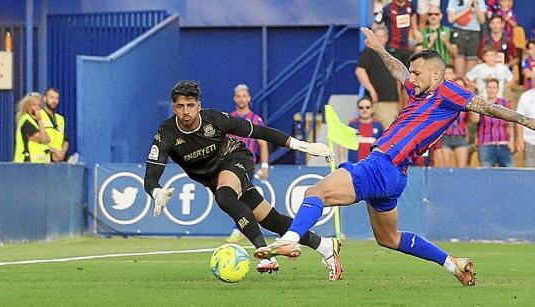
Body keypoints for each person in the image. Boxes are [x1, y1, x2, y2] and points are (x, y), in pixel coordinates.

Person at [254, 27, 535, 287]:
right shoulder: (418, 91)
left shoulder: (448, 91)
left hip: (382, 163)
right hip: (395, 176)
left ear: (436, 75)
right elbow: (398, 70)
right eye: (412, 73)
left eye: (418, 73)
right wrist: (379, 48)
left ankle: (289, 240)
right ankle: (453, 264)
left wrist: (525, 120)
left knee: (316, 192)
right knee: (388, 238)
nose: (411, 79)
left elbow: (485, 106)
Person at [144, 81, 343, 280]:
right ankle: (325, 246)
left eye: (190, 105)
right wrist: (156, 192)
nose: (186, 111)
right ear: (174, 108)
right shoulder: (167, 133)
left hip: (235, 159)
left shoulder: (214, 119)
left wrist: (303, 146)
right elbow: (151, 176)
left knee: (224, 196)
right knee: (274, 221)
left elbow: (259, 131)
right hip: (214, 179)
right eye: (180, 106)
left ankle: (265, 255)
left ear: (199, 106)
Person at [226, 84, 269, 244]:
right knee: (238, 197)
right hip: (230, 163)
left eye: (244, 96)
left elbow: (263, 144)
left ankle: (238, 230)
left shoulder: (255, 119)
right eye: (239, 96)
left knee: (237, 195)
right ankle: (242, 228)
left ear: (249, 98)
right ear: (235, 98)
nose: (241, 99)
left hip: (248, 163)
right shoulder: (230, 118)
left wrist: (264, 166)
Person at [355, 26, 402, 128]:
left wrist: (398, 95)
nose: (380, 39)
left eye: (382, 36)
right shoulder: (368, 53)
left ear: (386, 38)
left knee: (391, 130)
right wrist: (371, 90)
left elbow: (397, 75)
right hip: (379, 100)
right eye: (377, 37)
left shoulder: (391, 54)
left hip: (392, 100)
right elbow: (359, 71)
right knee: (385, 132)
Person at [470, 78, 514, 167]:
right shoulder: (482, 103)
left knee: (511, 174)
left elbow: (511, 124)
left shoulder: (505, 103)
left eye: (494, 87)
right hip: (486, 145)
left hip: (504, 145)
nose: (491, 90)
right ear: (486, 89)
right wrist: (475, 104)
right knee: (487, 176)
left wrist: (512, 140)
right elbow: (475, 120)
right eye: (489, 87)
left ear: (498, 89)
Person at [447, 0, 486, 77]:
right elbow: (450, 19)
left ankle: (467, 87)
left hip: (474, 33)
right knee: (459, 68)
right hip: (459, 32)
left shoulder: (479, 1)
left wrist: (476, 5)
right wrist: (467, 9)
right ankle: (459, 86)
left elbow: (482, 20)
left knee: (470, 72)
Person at [440, 78, 471, 168]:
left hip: (460, 138)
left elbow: (473, 120)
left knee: (461, 170)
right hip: (445, 138)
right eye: (457, 85)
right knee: (444, 170)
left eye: (461, 85)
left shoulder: (468, 104)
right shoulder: (444, 101)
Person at [13, 92, 50, 163]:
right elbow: (43, 139)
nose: (36, 108)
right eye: (34, 105)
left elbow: (48, 139)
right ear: (27, 106)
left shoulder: (35, 122)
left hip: (38, 162)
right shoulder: (26, 121)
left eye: (38, 106)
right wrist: (40, 120)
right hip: (26, 161)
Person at [347, 97, 384, 163]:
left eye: (367, 107)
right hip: (355, 165)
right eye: (361, 107)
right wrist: (342, 160)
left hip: (373, 165)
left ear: (372, 109)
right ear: (357, 109)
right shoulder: (352, 125)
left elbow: (384, 146)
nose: (364, 110)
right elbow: (342, 143)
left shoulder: (379, 125)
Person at [40, 87, 69, 162]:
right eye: (52, 98)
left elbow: (66, 140)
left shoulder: (60, 119)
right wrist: (55, 151)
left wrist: (62, 153)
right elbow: (37, 140)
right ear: (45, 98)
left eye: (57, 98)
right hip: (44, 159)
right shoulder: (39, 116)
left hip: (58, 160)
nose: (54, 101)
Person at [516, 88, 535, 167]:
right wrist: (520, 138)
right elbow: (519, 118)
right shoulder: (525, 96)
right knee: (530, 171)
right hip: (529, 140)